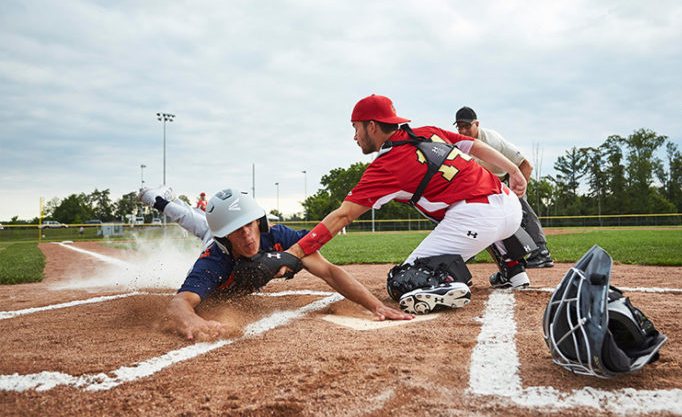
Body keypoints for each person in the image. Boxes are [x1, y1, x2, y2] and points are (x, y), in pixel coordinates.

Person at [283, 94, 533, 315]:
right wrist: (513, 170)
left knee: (403, 281)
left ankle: (448, 281)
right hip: (510, 205)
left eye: (356, 128)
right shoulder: (429, 132)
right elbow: (475, 146)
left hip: (479, 216)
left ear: (372, 126)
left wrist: (295, 252)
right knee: (460, 206)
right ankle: (514, 272)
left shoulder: (386, 165)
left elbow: (343, 215)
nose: (355, 136)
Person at [138, 185, 412, 341]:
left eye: (249, 224)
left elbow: (329, 271)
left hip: (220, 230)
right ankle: (158, 198)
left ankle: (162, 199)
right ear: (225, 237)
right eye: (237, 230)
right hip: (214, 235)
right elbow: (178, 304)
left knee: (197, 220)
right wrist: (192, 322)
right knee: (189, 219)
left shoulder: (278, 236)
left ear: (260, 221)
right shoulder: (214, 259)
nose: (246, 235)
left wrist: (376, 306)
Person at [453, 106, 554, 268]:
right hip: (484, 183)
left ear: (476, 124)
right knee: (466, 210)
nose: (463, 131)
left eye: (467, 126)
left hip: (507, 178)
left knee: (522, 208)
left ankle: (542, 252)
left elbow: (526, 165)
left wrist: (519, 192)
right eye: (460, 127)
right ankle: (467, 251)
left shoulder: (493, 140)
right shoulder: (459, 144)